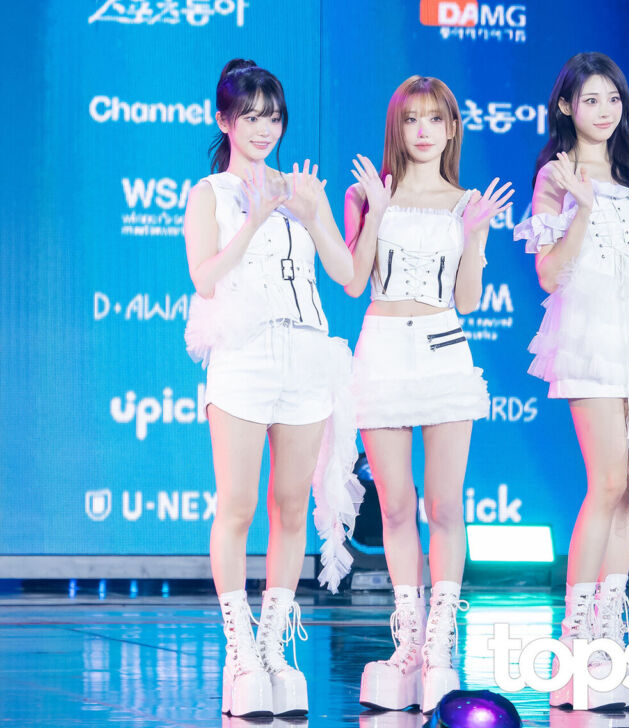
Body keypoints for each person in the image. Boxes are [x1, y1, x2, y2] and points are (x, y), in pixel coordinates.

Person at [514, 52, 629, 712]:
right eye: (590, 100)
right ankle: (573, 647)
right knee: (606, 482)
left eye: (613, 99)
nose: (604, 111)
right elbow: (549, 274)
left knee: (628, 491)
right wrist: (584, 208)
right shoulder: (556, 175)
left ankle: (607, 638)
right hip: (589, 334)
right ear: (566, 107)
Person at [183, 59, 362, 717]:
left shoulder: (298, 189)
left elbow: (347, 277)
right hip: (244, 357)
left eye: (274, 117)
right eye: (251, 116)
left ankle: (273, 649)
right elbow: (205, 279)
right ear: (224, 120)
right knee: (237, 506)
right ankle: (239, 654)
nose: (264, 129)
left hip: (307, 355)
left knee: (291, 507)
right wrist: (255, 218)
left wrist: (317, 214)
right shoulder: (209, 194)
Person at [343, 75, 513, 714]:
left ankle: (440, 648)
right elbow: (355, 281)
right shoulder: (367, 193)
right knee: (394, 506)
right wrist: (374, 212)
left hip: (443, 349)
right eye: (411, 118)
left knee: (443, 504)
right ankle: (408, 646)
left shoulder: (466, 202)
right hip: (382, 347)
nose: (422, 130)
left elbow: (466, 300)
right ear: (398, 126)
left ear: (450, 130)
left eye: (434, 119)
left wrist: (477, 236)